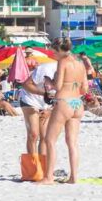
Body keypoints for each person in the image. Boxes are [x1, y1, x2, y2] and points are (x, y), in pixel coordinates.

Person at [40, 39, 86, 185]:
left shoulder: (63, 62)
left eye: (54, 52)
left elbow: (58, 86)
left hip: (64, 102)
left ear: (60, 50)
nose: (54, 55)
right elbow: (85, 89)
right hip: (77, 103)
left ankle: (48, 177)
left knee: (49, 140)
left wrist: (49, 81)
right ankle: (74, 177)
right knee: (72, 142)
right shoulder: (80, 63)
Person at [20, 55, 57, 158]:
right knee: (33, 134)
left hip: (46, 103)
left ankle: (43, 166)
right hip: (29, 99)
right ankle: (33, 166)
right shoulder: (46, 69)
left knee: (45, 136)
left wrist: (50, 109)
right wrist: (44, 94)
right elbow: (26, 85)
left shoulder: (69, 73)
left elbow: (63, 97)